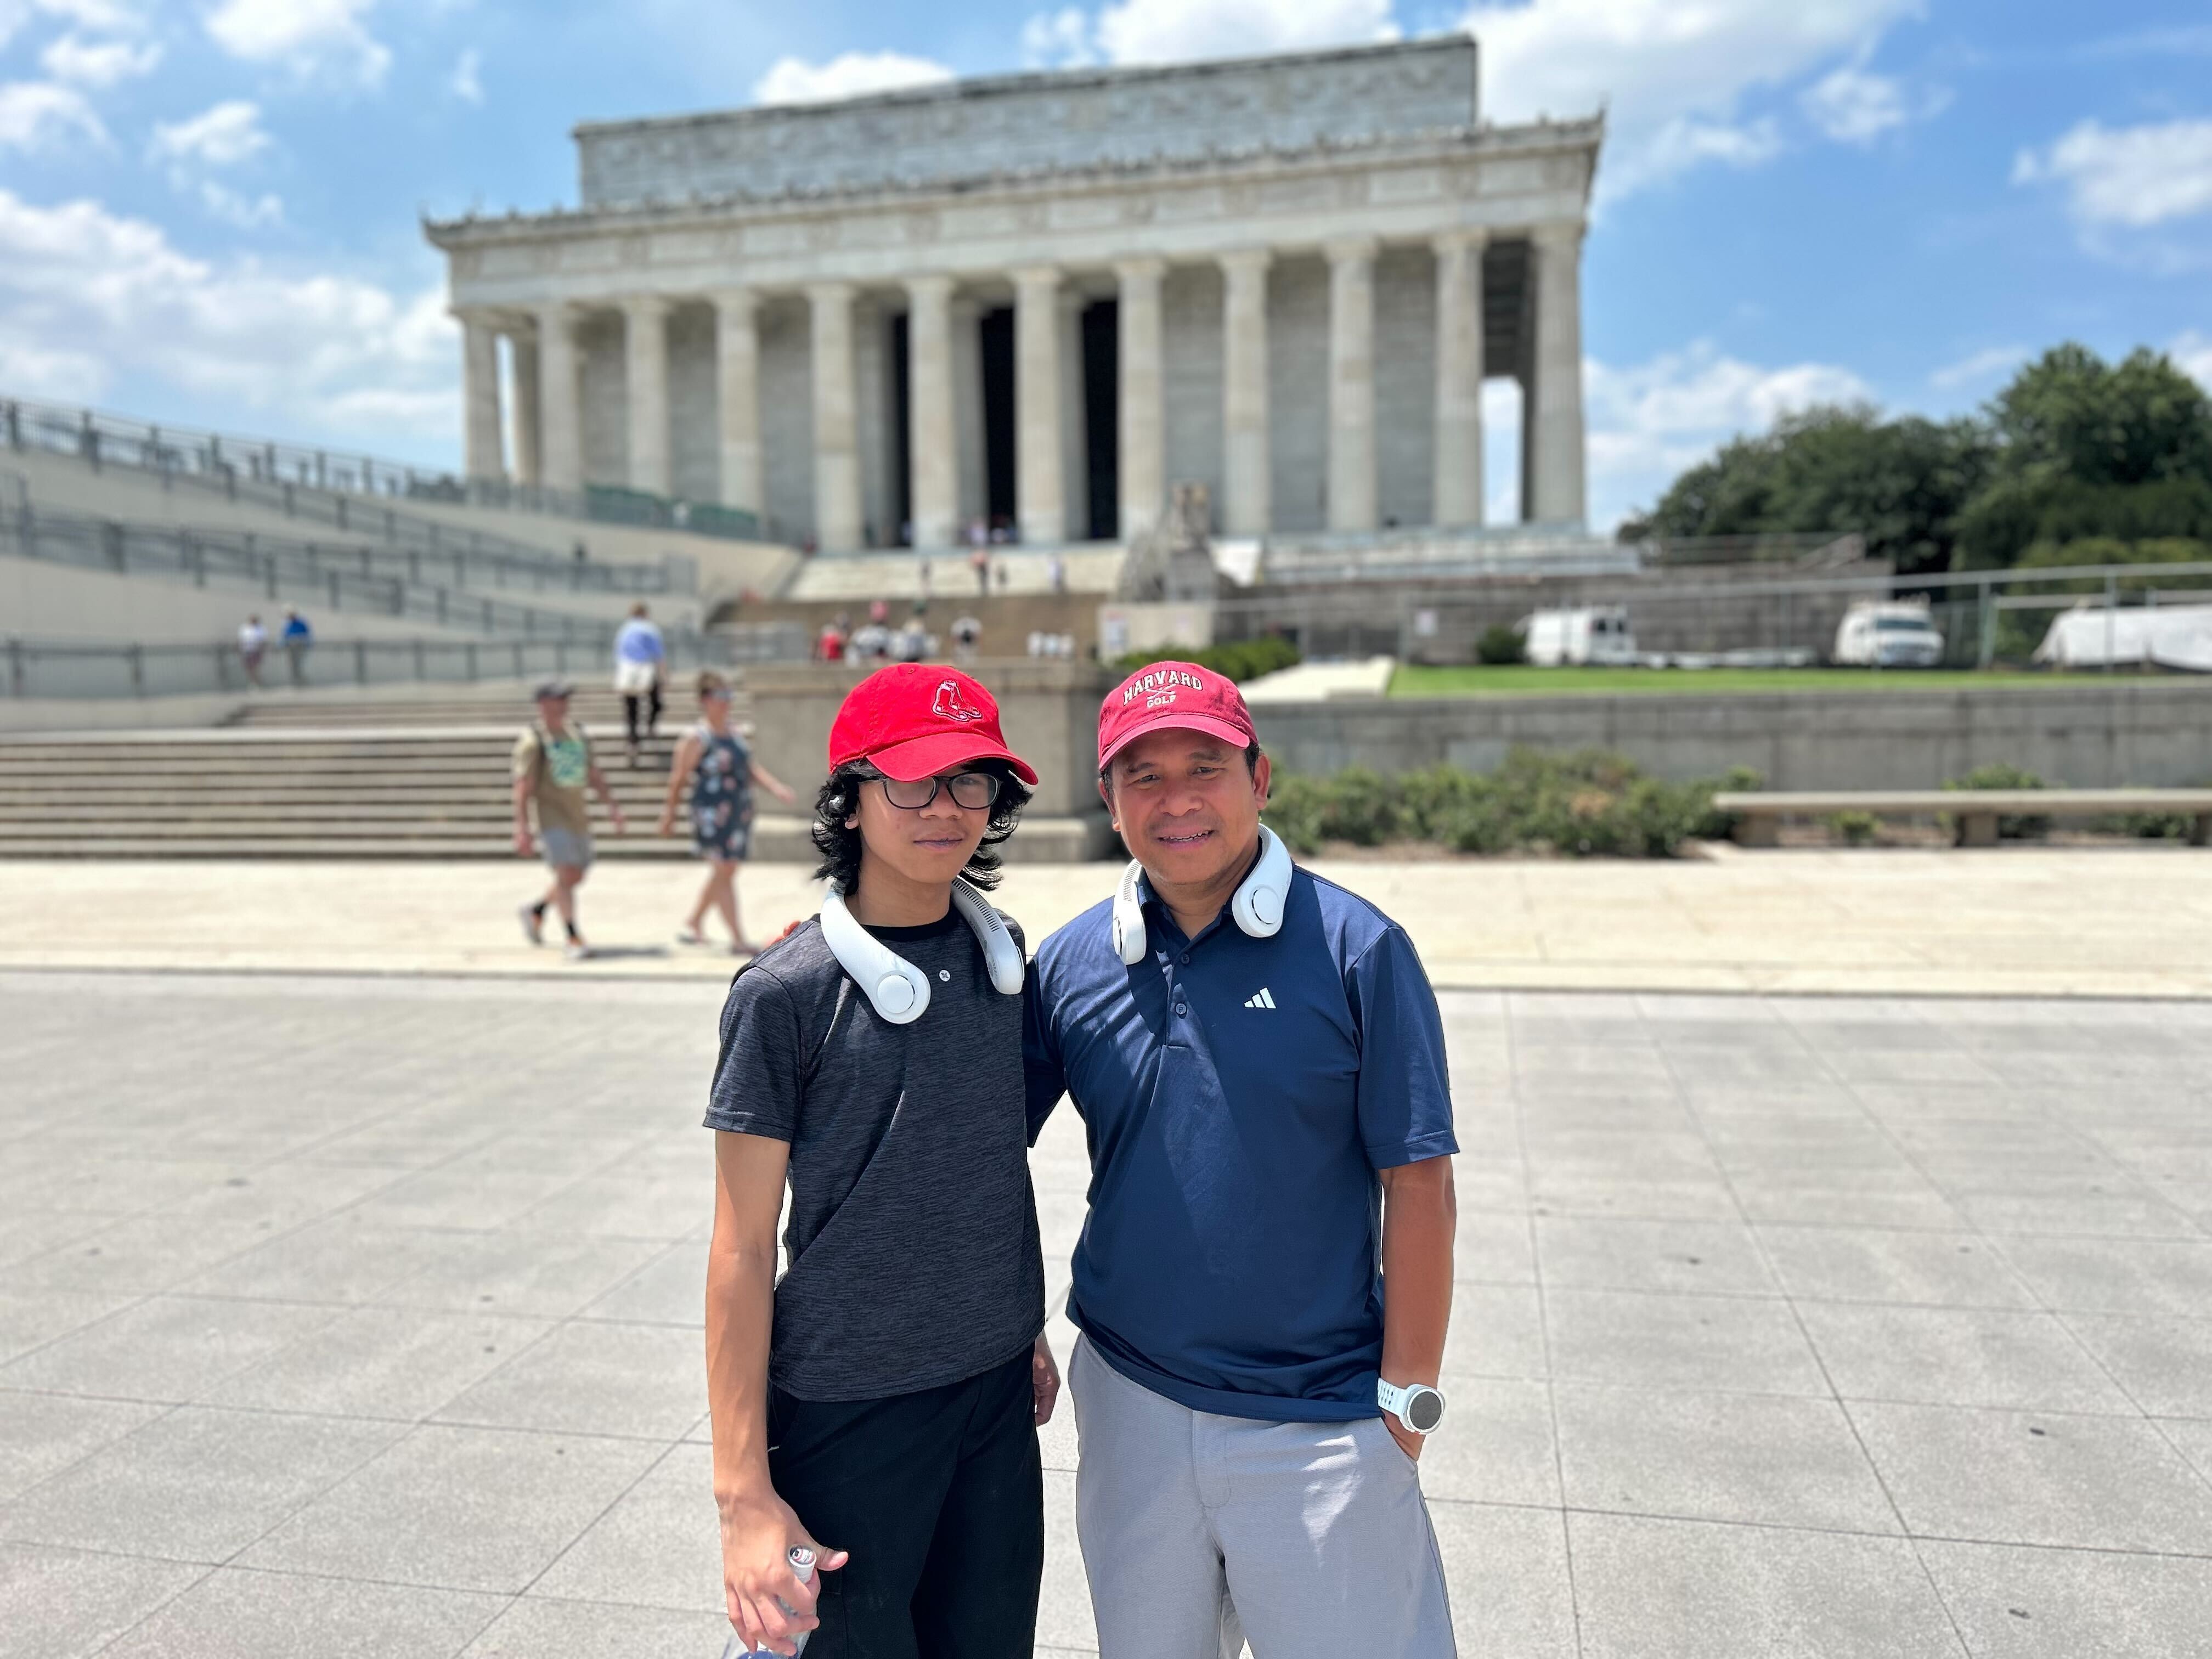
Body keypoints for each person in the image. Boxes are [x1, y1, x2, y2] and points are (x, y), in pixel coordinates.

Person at [1025, 661, 1459, 1658]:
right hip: (1131, 1400)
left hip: (1323, 1419)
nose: (1175, 800)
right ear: (1107, 800)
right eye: (1142, 775)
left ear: (1260, 776)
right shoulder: (1073, 961)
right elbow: (970, 1137)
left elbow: (1421, 1182)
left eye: (1204, 765)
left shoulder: (1359, 947)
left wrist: (1405, 1403)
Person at [704, 662, 1055, 1659]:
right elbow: (737, 1249)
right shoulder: (784, 992)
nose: (945, 808)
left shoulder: (1002, 960)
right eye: (911, 780)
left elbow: (979, 1158)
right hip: (846, 1411)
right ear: (850, 799)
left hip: (992, 1397)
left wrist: (1016, 1319)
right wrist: (743, 1494)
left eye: (970, 780)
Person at [657, 670, 797, 953]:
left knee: (727, 870)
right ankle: (737, 938)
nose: (726, 702)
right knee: (724, 869)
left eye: (729, 696)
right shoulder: (696, 738)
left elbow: (750, 769)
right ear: (705, 700)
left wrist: (776, 788)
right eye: (720, 697)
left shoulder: (734, 732)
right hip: (710, 812)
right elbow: (678, 778)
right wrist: (669, 814)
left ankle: (694, 921)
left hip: (737, 811)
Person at [513, 680, 627, 961]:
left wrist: (612, 806)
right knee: (565, 873)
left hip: (578, 816)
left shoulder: (577, 735)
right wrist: (522, 827)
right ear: (543, 704)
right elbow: (523, 787)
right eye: (556, 699)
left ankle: (537, 910)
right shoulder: (533, 741)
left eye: (565, 699)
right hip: (551, 817)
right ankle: (573, 935)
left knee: (575, 875)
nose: (563, 705)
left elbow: (592, 773)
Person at [612, 602, 667, 766]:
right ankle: (650, 726)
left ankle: (633, 742)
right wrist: (664, 675)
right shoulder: (649, 628)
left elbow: (619, 654)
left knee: (631, 710)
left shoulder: (623, 630)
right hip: (645, 669)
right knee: (656, 703)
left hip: (627, 671)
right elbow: (658, 654)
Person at [280, 610, 313, 686]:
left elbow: (307, 634)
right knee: (292, 665)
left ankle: (302, 680)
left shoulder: (301, 623)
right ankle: (295, 681)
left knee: (299, 665)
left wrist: (307, 644)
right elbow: (284, 636)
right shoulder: (287, 625)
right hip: (290, 647)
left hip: (300, 647)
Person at [237, 614, 267, 689]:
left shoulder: (261, 628)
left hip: (256, 651)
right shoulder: (244, 628)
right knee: (249, 668)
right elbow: (241, 640)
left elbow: (263, 641)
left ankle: (258, 684)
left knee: (256, 668)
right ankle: (253, 683)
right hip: (247, 651)